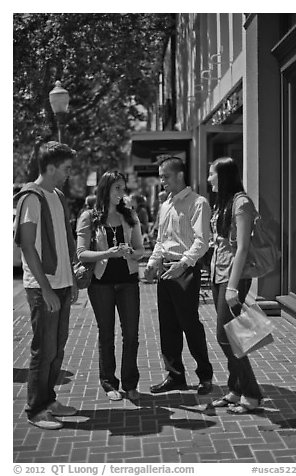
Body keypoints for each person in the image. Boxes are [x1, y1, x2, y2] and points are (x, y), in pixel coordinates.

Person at [13, 141, 79, 430]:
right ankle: (36, 410)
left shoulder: (57, 196)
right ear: (50, 167)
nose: (68, 174)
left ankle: (49, 400)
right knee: (44, 350)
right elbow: (27, 246)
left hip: (62, 284)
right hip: (43, 288)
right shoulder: (31, 198)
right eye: (65, 168)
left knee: (57, 349)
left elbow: (65, 244)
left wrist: (72, 281)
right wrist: (47, 289)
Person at [144, 157, 213, 395]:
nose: (162, 181)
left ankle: (205, 376)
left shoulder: (198, 203)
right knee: (168, 326)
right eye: (161, 177)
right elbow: (161, 241)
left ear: (180, 175)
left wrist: (182, 265)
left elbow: (202, 241)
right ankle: (175, 376)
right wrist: (153, 263)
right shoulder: (165, 205)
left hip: (185, 270)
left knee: (190, 325)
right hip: (166, 270)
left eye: (166, 176)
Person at [76, 172, 144, 402]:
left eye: (123, 188)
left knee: (131, 335)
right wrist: (108, 253)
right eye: (117, 188)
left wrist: (130, 253)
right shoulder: (89, 217)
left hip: (128, 282)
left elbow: (140, 249)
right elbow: (81, 252)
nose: (121, 193)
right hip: (101, 284)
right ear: (105, 189)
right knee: (106, 335)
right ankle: (108, 382)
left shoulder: (129, 214)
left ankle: (131, 383)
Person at [206, 156, 263, 414]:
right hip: (220, 274)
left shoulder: (241, 203)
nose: (209, 179)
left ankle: (251, 394)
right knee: (232, 334)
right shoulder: (225, 202)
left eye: (212, 174)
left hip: (234, 277)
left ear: (224, 175)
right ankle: (235, 389)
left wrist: (231, 287)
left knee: (228, 336)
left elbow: (242, 248)